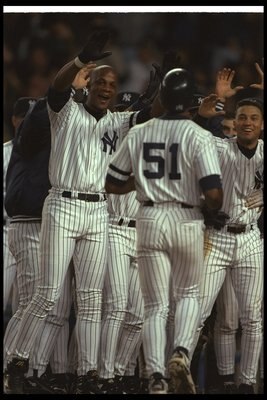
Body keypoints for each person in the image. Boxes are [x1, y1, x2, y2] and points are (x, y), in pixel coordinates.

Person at [4, 29, 164, 395]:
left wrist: (162, 90)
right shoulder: (65, 112)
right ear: (88, 85)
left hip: (97, 212)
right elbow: (58, 86)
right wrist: (78, 61)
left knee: (92, 299)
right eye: (100, 82)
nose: (107, 88)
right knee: (46, 293)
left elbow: (147, 115)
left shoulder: (115, 122)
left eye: (112, 83)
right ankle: (15, 361)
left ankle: (88, 374)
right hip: (62, 204)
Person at [104, 67, 224, 394]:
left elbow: (112, 184)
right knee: (187, 295)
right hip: (186, 218)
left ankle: (155, 377)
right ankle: (181, 354)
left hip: (149, 218)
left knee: (154, 305)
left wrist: (143, 183)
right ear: (188, 101)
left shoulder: (140, 131)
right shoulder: (198, 135)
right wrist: (208, 203)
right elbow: (214, 195)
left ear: (164, 97)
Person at [191, 94, 264, 394]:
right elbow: (192, 144)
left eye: (254, 118)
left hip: (250, 238)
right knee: (197, 313)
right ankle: (180, 372)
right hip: (217, 239)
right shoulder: (222, 146)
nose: (247, 122)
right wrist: (199, 117)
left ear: (262, 125)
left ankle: (246, 383)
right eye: (243, 117)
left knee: (253, 318)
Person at [3, 97, 36, 321]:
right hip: (5, 233)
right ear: (15, 120)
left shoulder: (44, 154)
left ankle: (11, 356)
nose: (28, 123)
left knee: (23, 309)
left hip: (32, 233)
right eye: (25, 118)